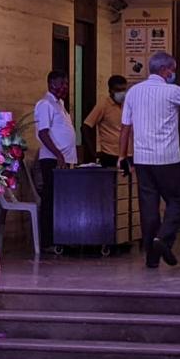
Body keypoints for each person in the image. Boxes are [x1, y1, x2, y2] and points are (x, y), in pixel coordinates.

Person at [118, 52, 180, 268]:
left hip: (142, 160)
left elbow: (125, 127)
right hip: (168, 158)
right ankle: (163, 239)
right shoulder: (172, 91)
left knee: (149, 208)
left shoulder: (133, 92)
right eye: (172, 69)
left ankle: (151, 259)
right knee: (177, 202)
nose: (173, 73)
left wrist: (122, 156)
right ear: (164, 70)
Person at [34, 70, 77, 249]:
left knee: (61, 201)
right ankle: (47, 241)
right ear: (51, 83)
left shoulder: (60, 104)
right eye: (62, 83)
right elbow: (43, 133)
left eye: (66, 84)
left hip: (65, 160)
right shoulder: (45, 104)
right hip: (52, 160)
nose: (65, 87)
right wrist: (59, 154)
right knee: (50, 200)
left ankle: (61, 237)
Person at [81, 75, 128, 168]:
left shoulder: (127, 104)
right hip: (110, 155)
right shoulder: (103, 105)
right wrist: (92, 152)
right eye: (118, 90)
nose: (121, 93)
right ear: (110, 90)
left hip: (127, 154)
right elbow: (85, 127)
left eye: (124, 90)